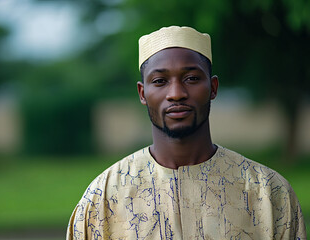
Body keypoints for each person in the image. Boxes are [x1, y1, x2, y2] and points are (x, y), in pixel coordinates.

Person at [66, 26, 306, 239]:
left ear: (212, 88)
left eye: (191, 78)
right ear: (142, 93)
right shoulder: (104, 197)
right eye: (160, 81)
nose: (176, 93)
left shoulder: (268, 193)